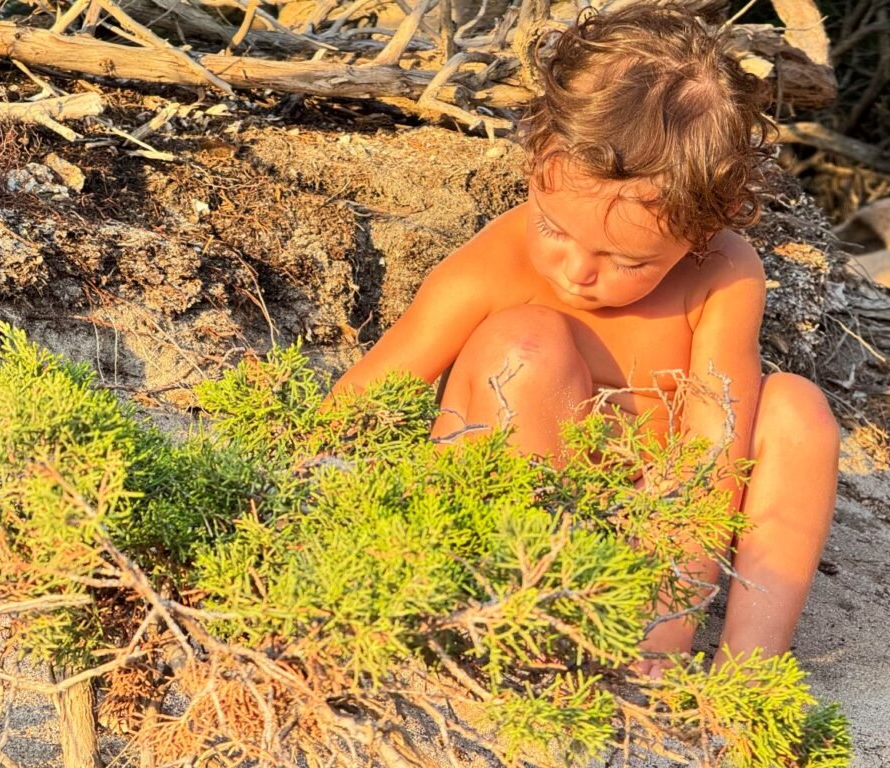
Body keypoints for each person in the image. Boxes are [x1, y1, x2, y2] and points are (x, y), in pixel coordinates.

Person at [331, 2, 838, 675]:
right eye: (553, 227)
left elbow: (714, 458)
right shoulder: (499, 260)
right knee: (525, 344)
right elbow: (363, 399)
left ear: (701, 234)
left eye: (628, 262)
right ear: (538, 157)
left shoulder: (722, 274)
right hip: (504, 530)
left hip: (643, 542)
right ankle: (533, 635)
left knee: (796, 412)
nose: (578, 271)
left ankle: (744, 678)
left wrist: (666, 624)